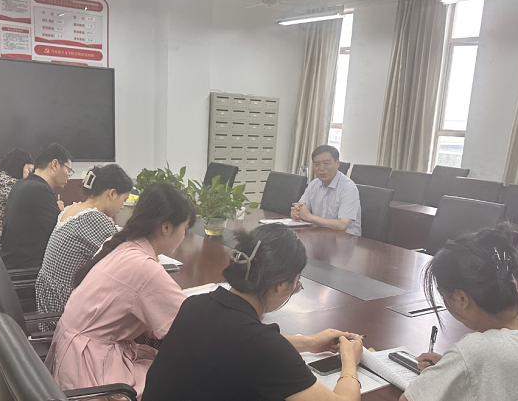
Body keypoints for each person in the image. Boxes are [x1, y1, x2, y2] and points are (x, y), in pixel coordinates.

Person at [142, 223, 364, 401]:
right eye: (296, 284)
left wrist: (310, 342)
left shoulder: (194, 305)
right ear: (280, 285)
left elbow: (236, 345)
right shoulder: (263, 345)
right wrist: (349, 360)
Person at [45, 183, 196, 398]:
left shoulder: (118, 244)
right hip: (91, 370)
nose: (184, 236)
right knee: (183, 377)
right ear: (166, 227)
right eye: (185, 229)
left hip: (72, 356)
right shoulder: (144, 268)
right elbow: (190, 327)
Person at [400, 225, 518, 401]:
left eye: (444, 296)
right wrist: (452, 368)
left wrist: (459, 365)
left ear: (462, 298)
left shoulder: (474, 352)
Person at [36, 164, 133, 330]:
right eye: (123, 200)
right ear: (112, 193)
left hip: (50, 303)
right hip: (66, 310)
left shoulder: (72, 209)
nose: (122, 206)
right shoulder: (95, 219)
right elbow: (127, 261)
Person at [0, 143, 72, 270]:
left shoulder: (23, 184)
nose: (69, 177)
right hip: (28, 270)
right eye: (69, 170)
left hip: (13, 264)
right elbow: (61, 235)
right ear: (55, 164)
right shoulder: (39, 190)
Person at [291, 145, 361, 236]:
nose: (321, 168)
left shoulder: (348, 188)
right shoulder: (314, 184)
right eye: (317, 164)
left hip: (346, 239)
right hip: (319, 235)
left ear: (337, 163)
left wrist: (309, 217)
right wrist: (296, 213)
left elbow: (342, 225)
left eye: (326, 163)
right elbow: (300, 208)